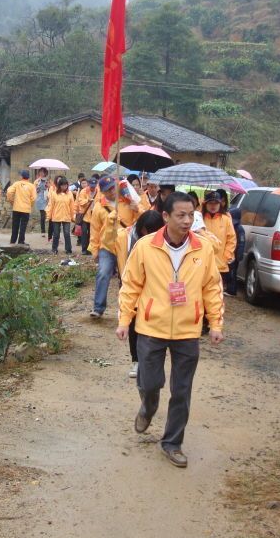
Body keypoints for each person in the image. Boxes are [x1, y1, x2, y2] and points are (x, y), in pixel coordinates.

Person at [116, 192, 224, 468]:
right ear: (165, 216)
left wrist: (215, 323)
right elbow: (131, 285)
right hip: (151, 326)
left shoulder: (203, 248)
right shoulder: (145, 247)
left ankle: (172, 442)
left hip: (188, 330)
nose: (187, 221)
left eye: (191, 215)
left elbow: (212, 287)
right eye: (181, 215)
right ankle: (148, 406)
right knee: (150, 383)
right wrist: (125, 319)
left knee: (182, 390)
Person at [115, 210, 166, 379]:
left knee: (153, 327)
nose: (148, 236)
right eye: (146, 231)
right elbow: (108, 244)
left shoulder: (166, 241)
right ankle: (136, 361)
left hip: (155, 290)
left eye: (153, 232)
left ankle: (151, 362)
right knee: (133, 324)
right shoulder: (125, 237)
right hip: (131, 286)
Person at [89, 177, 122, 318]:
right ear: (102, 192)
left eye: (113, 187)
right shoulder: (98, 207)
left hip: (124, 246)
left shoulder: (125, 201)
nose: (112, 191)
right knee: (103, 273)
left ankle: (126, 308)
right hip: (106, 247)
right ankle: (98, 307)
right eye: (109, 189)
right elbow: (95, 230)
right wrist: (95, 250)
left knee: (126, 277)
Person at [202, 191, 237, 295]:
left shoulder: (226, 219)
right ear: (205, 204)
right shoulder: (200, 219)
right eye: (210, 203)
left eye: (216, 203)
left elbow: (231, 239)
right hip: (202, 262)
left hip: (220, 264)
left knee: (216, 293)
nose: (213, 206)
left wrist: (227, 256)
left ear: (220, 204)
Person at [7, 170, 36, 245]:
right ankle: (21, 241)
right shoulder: (32, 186)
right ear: (28, 177)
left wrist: (12, 201)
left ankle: (13, 241)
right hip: (26, 209)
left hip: (16, 208)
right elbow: (33, 198)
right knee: (23, 226)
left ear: (21, 176)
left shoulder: (17, 184)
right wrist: (30, 205)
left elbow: (9, 192)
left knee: (15, 225)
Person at [50, 178, 75, 255]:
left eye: (66, 185)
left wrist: (73, 217)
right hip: (56, 216)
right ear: (59, 185)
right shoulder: (54, 194)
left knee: (67, 233)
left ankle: (68, 249)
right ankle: (54, 249)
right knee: (56, 234)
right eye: (63, 185)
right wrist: (49, 216)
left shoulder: (70, 194)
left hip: (66, 216)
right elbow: (51, 205)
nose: (64, 187)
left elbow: (72, 206)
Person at [227, 207, 246, 297]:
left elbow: (242, 242)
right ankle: (229, 288)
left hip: (235, 254)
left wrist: (239, 254)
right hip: (231, 253)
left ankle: (232, 290)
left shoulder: (239, 229)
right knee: (230, 271)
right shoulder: (232, 227)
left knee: (233, 272)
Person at [77, 178, 99, 256]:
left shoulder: (99, 191)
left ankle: (89, 250)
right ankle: (84, 249)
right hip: (85, 215)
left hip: (94, 215)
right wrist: (87, 200)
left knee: (91, 234)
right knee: (84, 233)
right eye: (91, 186)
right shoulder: (83, 191)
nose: (92, 188)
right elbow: (80, 202)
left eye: (94, 186)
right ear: (89, 185)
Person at [34, 168, 49, 237]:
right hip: (40, 199)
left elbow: (51, 188)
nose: (41, 173)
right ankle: (43, 231)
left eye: (43, 172)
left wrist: (47, 186)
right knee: (43, 215)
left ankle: (50, 231)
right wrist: (37, 187)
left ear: (45, 173)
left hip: (47, 198)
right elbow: (34, 190)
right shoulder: (36, 181)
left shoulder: (48, 180)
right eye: (40, 172)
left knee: (48, 215)